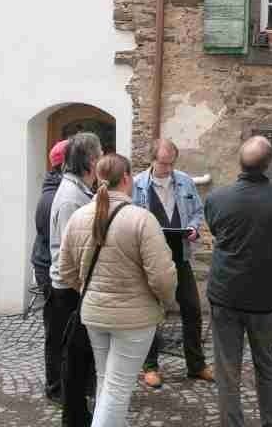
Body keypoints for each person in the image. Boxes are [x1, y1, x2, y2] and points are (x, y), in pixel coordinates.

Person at [59, 153, 177, 427]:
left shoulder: (78, 217)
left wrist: (90, 291)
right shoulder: (142, 220)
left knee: (107, 383)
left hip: (94, 314)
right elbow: (162, 277)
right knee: (118, 388)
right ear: (126, 179)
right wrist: (165, 302)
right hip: (135, 320)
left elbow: (65, 271)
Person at [204, 135, 272, 427]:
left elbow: (217, 231)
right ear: (268, 164)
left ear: (240, 162)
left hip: (225, 296)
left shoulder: (216, 198)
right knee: (267, 366)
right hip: (264, 300)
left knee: (227, 369)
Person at [132, 138, 213, 387]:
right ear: (152, 160)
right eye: (163, 163)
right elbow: (131, 216)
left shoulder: (185, 181)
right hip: (151, 259)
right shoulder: (137, 185)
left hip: (181, 255)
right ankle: (150, 366)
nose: (167, 168)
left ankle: (196, 365)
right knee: (152, 312)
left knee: (192, 309)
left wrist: (192, 228)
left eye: (171, 163)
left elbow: (198, 211)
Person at [48, 132, 103, 426]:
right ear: (91, 160)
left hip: (73, 286)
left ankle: (78, 410)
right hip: (69, 288)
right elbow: (73, 252)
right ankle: (75, 416)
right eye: (100, 156)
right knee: (74, 357)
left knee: (78, 356)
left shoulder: (78, 190)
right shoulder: (71, 197)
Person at [30, 139, 68, 403]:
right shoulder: (54, 198)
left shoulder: (57, 190)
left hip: (50, 267)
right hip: (50, 269)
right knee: (56, 331)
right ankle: (55, 388)